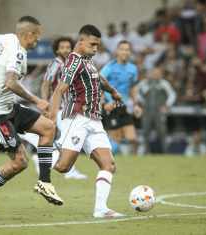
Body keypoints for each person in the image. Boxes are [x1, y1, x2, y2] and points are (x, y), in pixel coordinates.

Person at [0, 16, 63, 216]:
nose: (37, 41)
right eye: (37, 37)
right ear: (28, 34)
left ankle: (45, 183)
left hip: (8, 108)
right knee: (20, 162)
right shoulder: (17, 53)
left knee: (48, 128)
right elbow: (11, 83)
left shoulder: (8, 38)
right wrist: (37, 100)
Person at [50, 24, 124, 218]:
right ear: (81, 41)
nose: (95, 48)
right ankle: (45, 152)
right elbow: (60, 89)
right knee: (62, 167)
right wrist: (50, 118)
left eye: (98, 45)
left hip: (95, 120)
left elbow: (99, 79)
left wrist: (114, 92)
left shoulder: (88, 61)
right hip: (78, 119)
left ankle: (101, 209)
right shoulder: (73, 60)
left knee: (109, 165)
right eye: (92, 44)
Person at [20, 36, 87, 179]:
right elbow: (46, 83)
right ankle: (69, 170)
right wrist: (45, 103)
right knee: (68, 138)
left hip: (71, 107)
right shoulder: (55, 64)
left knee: (65, 138)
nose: (65, 50)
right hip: (59, 107)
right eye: (62, 47)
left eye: (68, 47)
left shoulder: (73, 64)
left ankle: (39, 154)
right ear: (57, 50)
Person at [100, 40, 142, 154]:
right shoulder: (109, 67)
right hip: (111, 105)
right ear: (117, 51)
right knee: (115, 139)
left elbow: (133, 88)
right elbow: (98, 84)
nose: (125, 52)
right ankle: (106, 163)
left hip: (124, 105)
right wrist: (103, 103)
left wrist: (136, 104)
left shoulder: (133, 69)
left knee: (132, 138)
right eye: (122, 49)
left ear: (130, 52)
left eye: (127, 49)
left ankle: (135, 164)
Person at [137, 66, 176, 153]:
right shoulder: (144, 83)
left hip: (159, 111)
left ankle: (165, 152)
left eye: (157, 73)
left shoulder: (164, 83)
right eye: (154, 73)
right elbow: (135, 92)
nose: (155, 75)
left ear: (161, 74)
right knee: (145, 131)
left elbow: (172, 94)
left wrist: (167, 105)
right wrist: (141, 102)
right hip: (147, 111)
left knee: (162, 132)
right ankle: (146, 152)